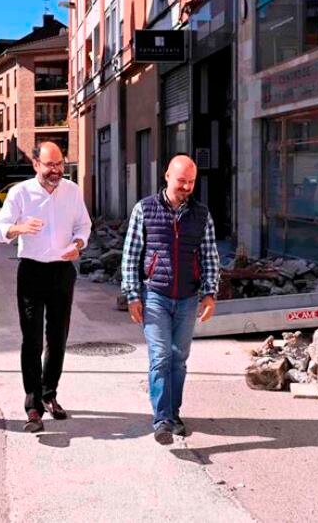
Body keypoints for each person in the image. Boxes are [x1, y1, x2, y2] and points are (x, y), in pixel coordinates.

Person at [120, 153, 220, 445]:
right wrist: (132, 295)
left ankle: (174, 415)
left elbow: (209, 255)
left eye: (191, 182)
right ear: (167, 176)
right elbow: (131, 254)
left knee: (179, 358)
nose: (186, 186)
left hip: (188, 297)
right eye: (181, 181)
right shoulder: (145, 209)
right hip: (155, 296)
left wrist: (210, 293)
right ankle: (162, 418)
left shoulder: (201, 214)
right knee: (161, 356)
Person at [0, 141, 91, 433]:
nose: (55, 170)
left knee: (58, 338)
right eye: (49, 165)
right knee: (32, 340)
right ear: (36, 165)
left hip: (62, 271)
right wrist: (18, 228)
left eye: (59, 163)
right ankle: (32, 405)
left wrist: (78, 244)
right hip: (32, 271)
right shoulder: (20, 193)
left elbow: (83, 226)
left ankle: (50, 394)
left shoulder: (71, 191)